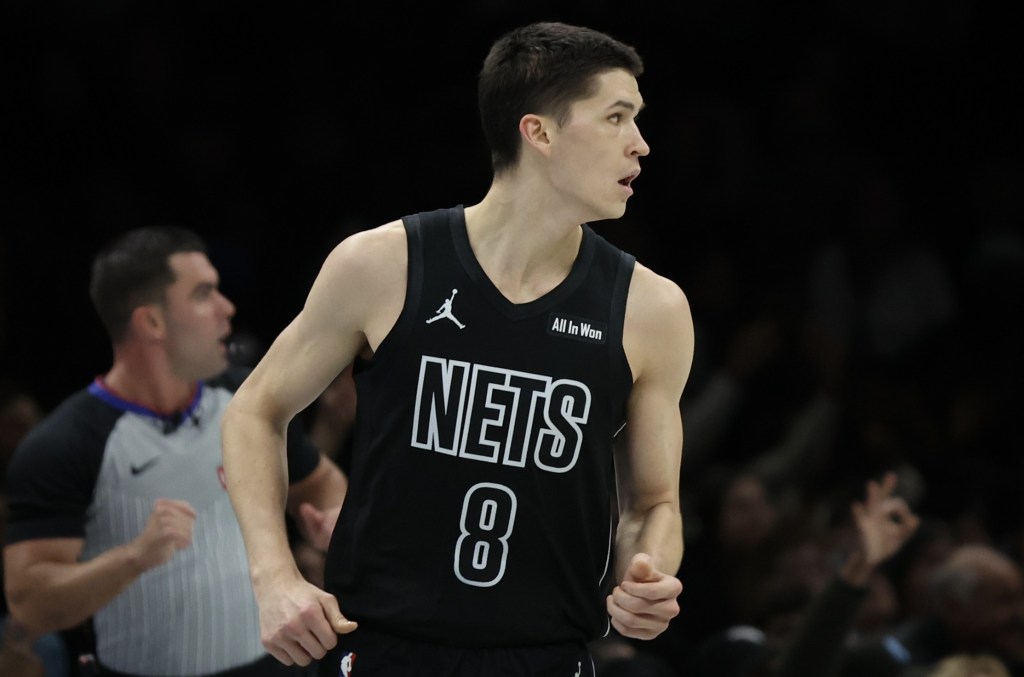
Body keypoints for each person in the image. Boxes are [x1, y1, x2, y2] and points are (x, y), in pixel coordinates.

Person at [221, 21, 694, 677]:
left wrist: (649, 572)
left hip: (545, 656)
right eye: (616, 117)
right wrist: (274, 576)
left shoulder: (653, 309)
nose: (640, 143)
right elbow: (254, 409)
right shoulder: (383, 264)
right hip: (382, 646)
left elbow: (653, 502)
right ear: (539, 132)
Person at [2, 226, 348, 677]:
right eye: (204, 294)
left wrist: (333, 520)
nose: (227, 308)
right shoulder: (66, 443)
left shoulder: (246, 402)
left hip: (274, 666)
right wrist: (134, 558)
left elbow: (321, 483)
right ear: (151, 322)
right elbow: (30, 604)